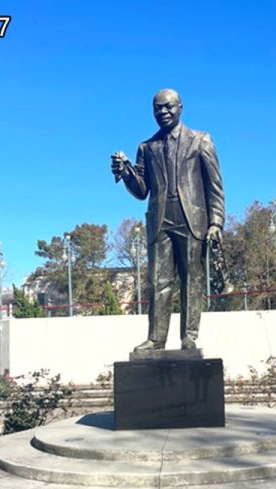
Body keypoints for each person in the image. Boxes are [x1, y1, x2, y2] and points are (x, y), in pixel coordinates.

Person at [111, 89, 225, 352]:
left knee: (191, 280)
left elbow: (215, 187)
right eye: (157, 108)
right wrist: (126, 173)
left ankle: (189, 336)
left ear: (180, 107)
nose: (162, 112)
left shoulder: (200, 140)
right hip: (160, 221)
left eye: (168, 107)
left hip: (192, 219)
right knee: (158, 282)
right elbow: (141, 191)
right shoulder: (146, 148)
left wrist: (216, 222)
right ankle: (156, 338)